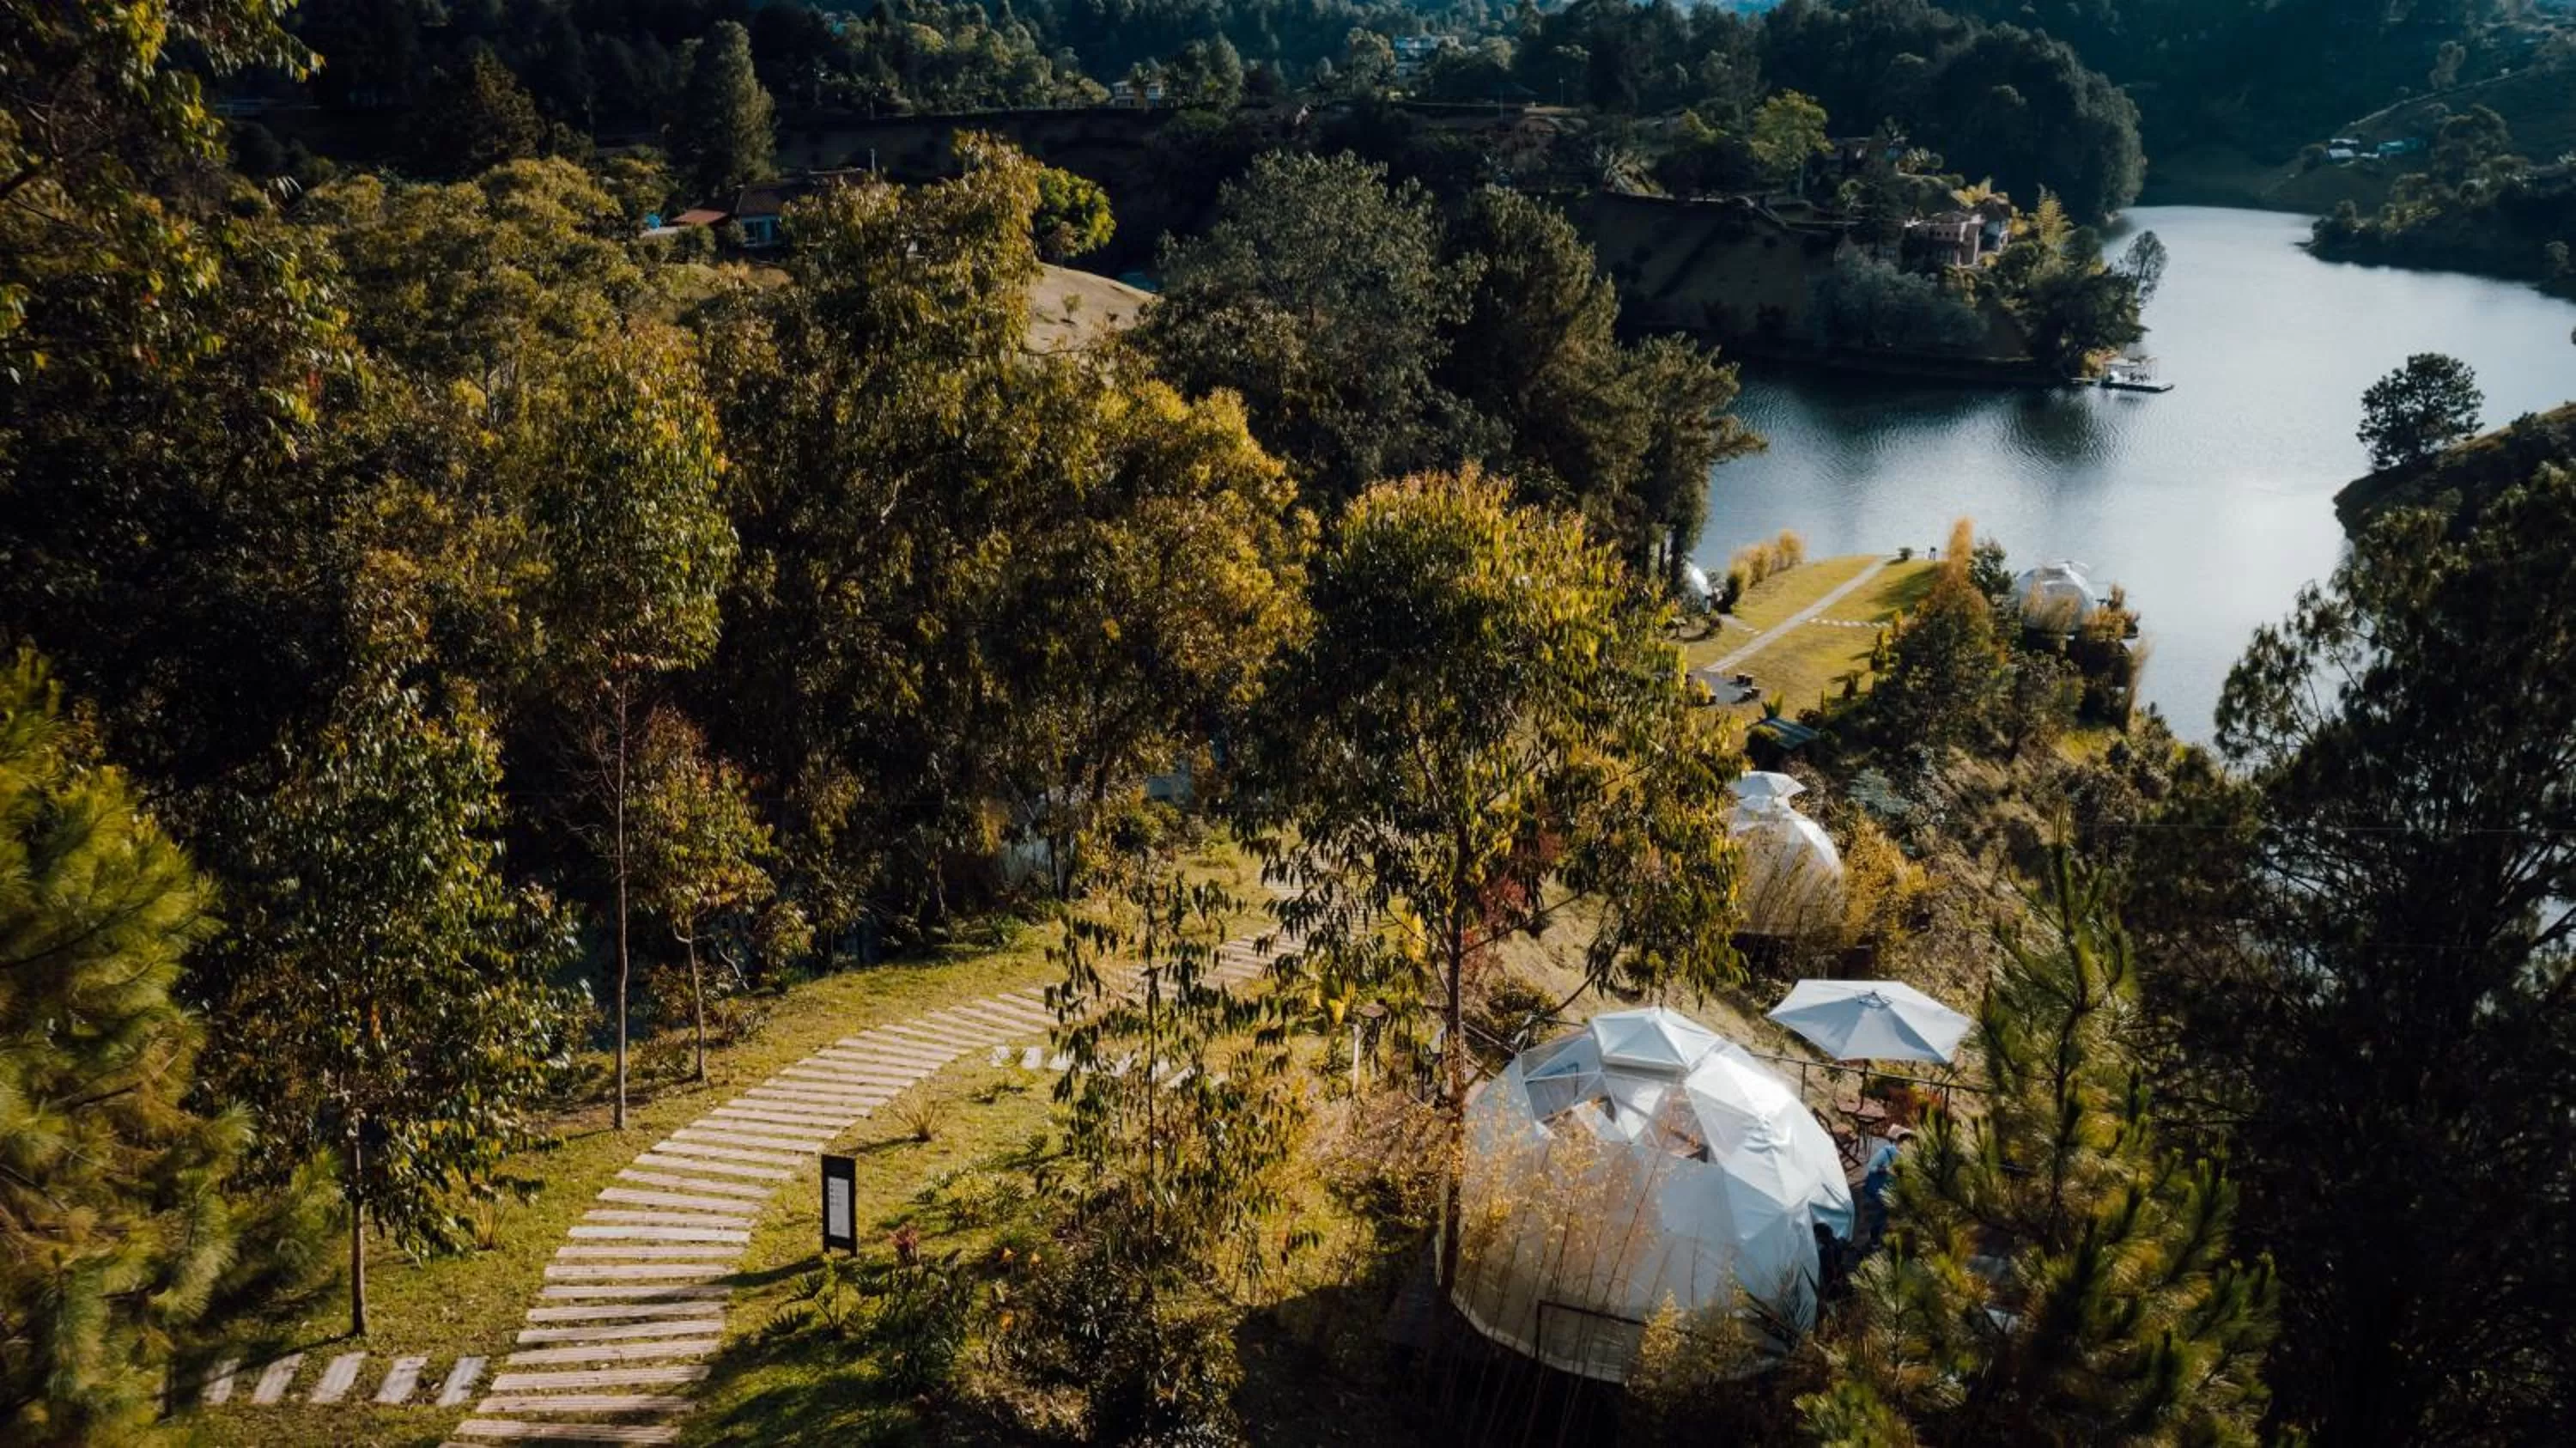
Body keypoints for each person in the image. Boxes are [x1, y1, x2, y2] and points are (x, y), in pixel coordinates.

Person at [1858, 1126, 1913, 1250]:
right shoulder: (1886, 1152)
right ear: (1900, 1142)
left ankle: (1888, 1241)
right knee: (1878, 1217)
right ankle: (1874, 1242)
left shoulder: (1909, 1157)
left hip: (1896, 1192)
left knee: (1890, 1218)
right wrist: (1885, 1170)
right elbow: (1870, 1167)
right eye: (1907, 1144)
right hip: (1880, 1191)